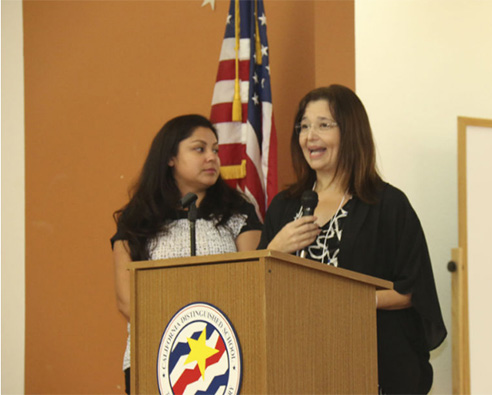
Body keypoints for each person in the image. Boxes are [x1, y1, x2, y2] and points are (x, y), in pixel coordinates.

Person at [258, 85, 446, 394]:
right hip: (295, 366)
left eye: (323, 125)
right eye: (304, 126)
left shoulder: (386, 204)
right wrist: (273, 250)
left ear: (351, 132)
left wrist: (348, 303)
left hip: (373, 365)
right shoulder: (285, 206)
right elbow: (261, 289)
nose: (309, 136)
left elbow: (412, 289)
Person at [111, 114, 261, 394]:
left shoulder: (238, 211)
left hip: (226, 355)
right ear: (170, 157)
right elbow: (126, 299)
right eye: (199, 148)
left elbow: (253, 282)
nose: (212, 158)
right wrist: (181, 334)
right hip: (155, 355)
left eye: (215, 150)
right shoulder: (137, 219)